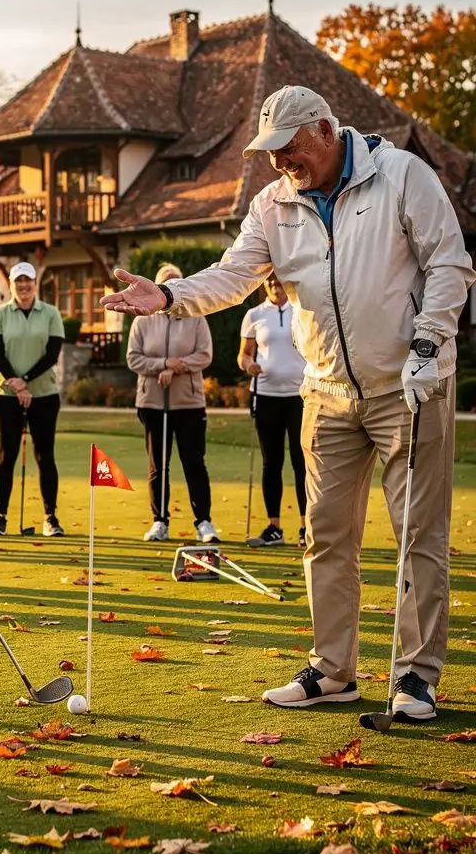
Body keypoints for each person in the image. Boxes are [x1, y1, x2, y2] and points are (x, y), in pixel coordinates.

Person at [103, 84, 475, 722]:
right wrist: (168, 297)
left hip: (409, 385)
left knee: (419, 534)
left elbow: (450, 264)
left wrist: (428, 341)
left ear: (327, 130)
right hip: (326, 392)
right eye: (271, 151)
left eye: (290, 148)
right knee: (323, 536)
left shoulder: (401, 175)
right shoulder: (272, 204)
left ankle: (416, 677)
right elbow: (233, 276)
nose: (280, 162)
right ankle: (333, 671)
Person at [127, 262, 217, 543]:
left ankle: (204, 521)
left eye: (176, 283)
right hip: (152, 403)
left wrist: (178, 367)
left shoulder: (196, 317)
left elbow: (204, 355)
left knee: (194, 462)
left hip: (188, 403)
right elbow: (134, 358)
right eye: (165, 283)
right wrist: (164, 364)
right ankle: (160, 521)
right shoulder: (142, 320)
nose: (170, 288)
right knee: (158, 466)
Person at [0, 261, 65, 537]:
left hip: (44, 394)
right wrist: (16, 384)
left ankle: (50, 517)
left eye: (27, 280)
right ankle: (0, 516)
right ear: (11, 284)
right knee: (7, 455)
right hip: (5, 394)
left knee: (45, 455)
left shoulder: (51, 313)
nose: (23, 285)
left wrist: (26, 381)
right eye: (18, 280)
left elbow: (52, 354)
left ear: (35, 283)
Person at [239, 272, 307, 548]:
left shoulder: (301, 310)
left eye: (278, 281)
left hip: (300, 396)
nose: (274, 286)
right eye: (269, 282)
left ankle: (306, 527)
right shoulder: (254, 315)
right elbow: (244, 354)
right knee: (271, 462)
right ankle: (274, 528)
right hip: (266, 395)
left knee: (302, 462)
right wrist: (248, 365)